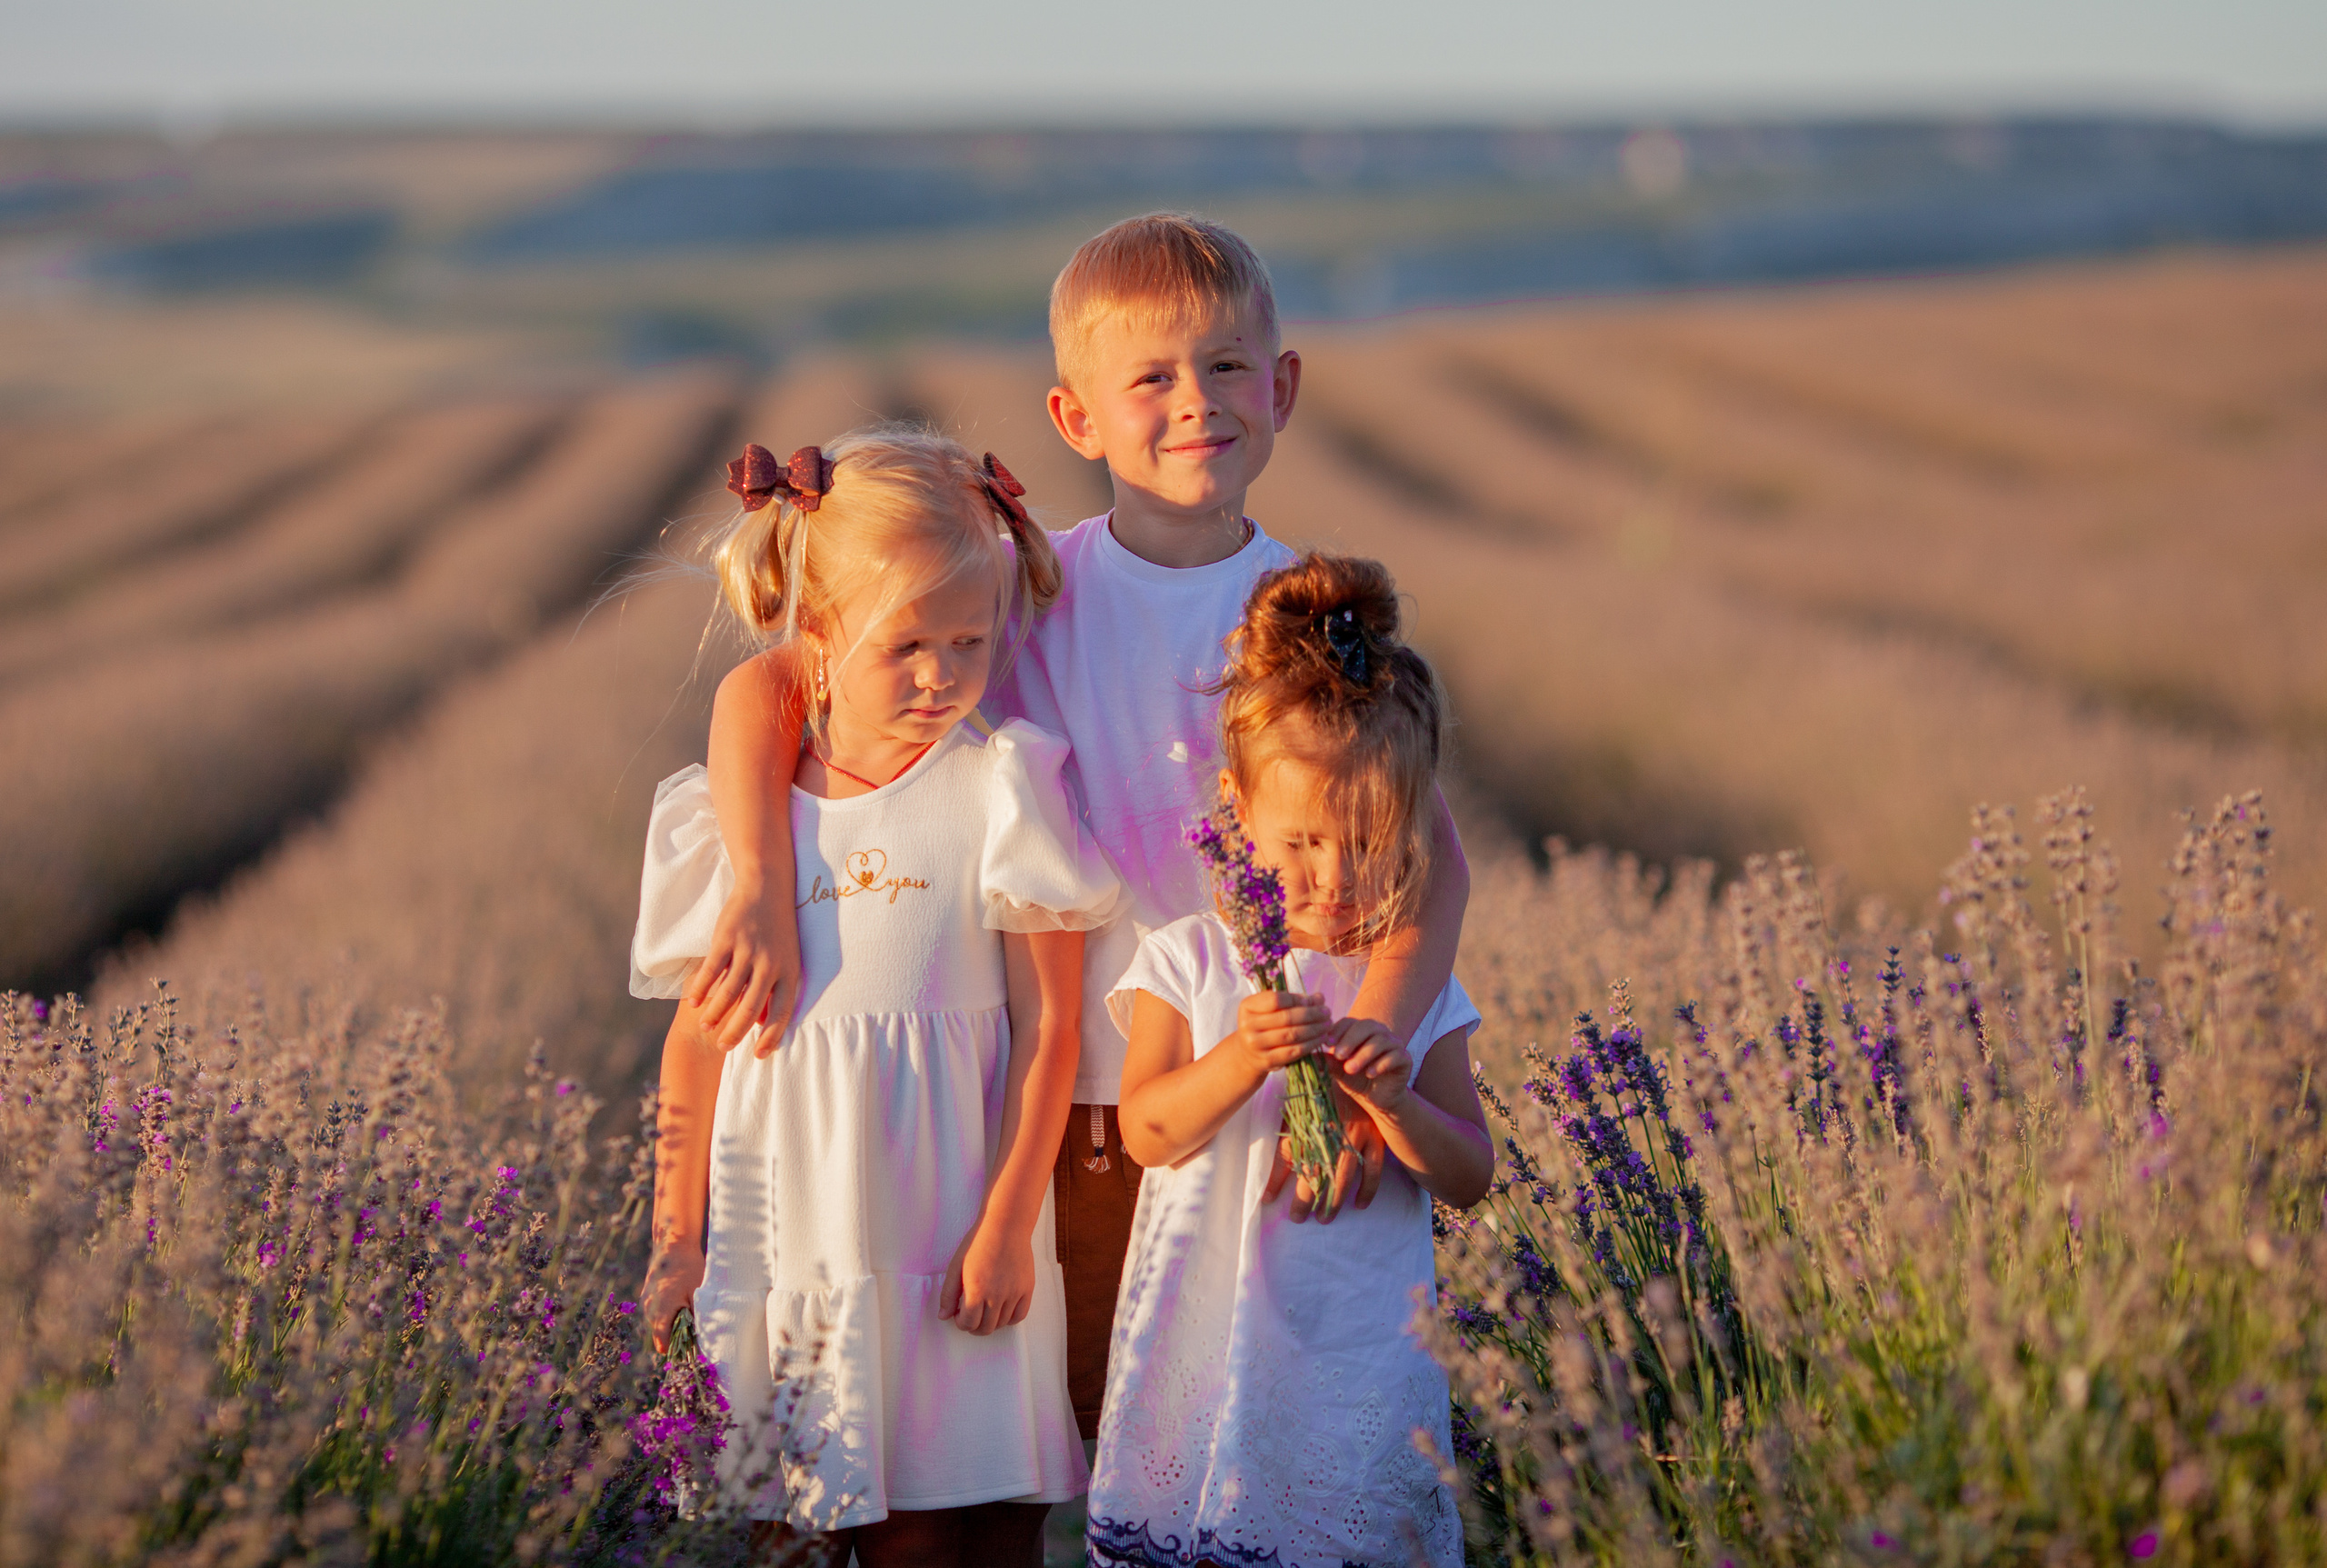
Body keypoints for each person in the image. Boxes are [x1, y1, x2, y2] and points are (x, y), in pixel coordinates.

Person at [678, 212, 1473, 1443]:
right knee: (1094, 1423)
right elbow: (772, 688)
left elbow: (1433, 862)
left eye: (1223, 366)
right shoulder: (1030, 588)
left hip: (1270, 1085)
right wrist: (758, 884)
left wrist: (1372, 1056)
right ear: (1076, 420)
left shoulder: (1318, 614)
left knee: (1263, 1424)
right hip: (1077, 1104)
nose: (1195, 401)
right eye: (1150, 377)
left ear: (1284, 387)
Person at [631, 429, 1120, 1566]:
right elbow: (695, 1055)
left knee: (960, 1537)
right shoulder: (739, 822)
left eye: (971, 640)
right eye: (907, 646)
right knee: (784, 1536)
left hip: (950, 1244)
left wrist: (1006, 1229)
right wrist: (675, 1239)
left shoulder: (1000, 790)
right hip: (786, 1244)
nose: (943, 676)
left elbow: (1046, 1030)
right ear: (816, 637)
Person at [1088, 554, 1493, 1568]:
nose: (1335, 877)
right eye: (1303, 842)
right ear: (1238, 808)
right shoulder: (1186, 960)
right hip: (1209, 1335)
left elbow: (1472, 1177)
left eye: (1370, 842)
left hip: (1354, 1349)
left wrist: (1395, 1101)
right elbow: (1145, 1133)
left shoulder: (1415, 992)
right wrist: (1237, 1057)